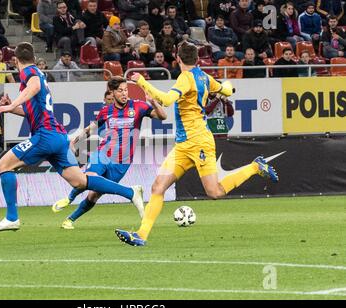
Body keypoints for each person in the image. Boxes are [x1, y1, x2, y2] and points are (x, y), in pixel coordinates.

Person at [114, 41, 279, 246]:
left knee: (214, 192)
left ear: (178, 58)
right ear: (197, 59)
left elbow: (166, 100)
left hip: (199, 141)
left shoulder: (186, 78)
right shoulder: (204, 76)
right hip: (184, 144)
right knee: (157, 187)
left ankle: (255, 166)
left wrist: (141, 81)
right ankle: (141, 235)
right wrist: (227, 89)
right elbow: (224, 89)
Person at [0, 42, 145, 232]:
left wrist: (11, 106)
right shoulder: (38, 74)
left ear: (16, 60)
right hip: (58, 137)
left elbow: (34, 86)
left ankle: (12, 218)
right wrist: (14, 108)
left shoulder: (29, 73)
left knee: (4, 166)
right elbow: (33, 112)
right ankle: (130, 192)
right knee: (79, 181)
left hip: (44, 136)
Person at [53, 76, 167, 229]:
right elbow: (90, 129)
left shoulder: (138, 106)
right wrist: (75, 142)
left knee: (94, 194)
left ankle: (70, 219)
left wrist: (153, 102)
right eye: (120, 91)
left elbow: (162, 116)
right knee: (89, 177)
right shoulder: (106, 111)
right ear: (113, 93)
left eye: (126, 90)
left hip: (122, 162)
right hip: (102, 154)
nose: (124, 93)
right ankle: (70, 198)